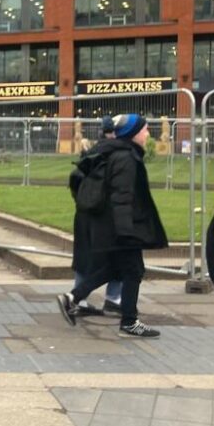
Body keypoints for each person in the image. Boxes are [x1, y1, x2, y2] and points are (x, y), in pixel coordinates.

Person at [57, 113, 168, 338]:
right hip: (122, 227)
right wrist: (126, 232)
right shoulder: (126, 158)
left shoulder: (113, 152)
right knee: (134, 271)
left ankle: (72, 297)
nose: (148, 134)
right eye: (145, 130)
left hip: (108, 225)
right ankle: (129, 322)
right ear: (134, 133)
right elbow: (122, 196)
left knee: (115, 269)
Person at [67, 116, 123, 318]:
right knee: (120, 256)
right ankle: (113, 298)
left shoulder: (91, 153)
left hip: (84, 212)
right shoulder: (118, 155)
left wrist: (82, 201)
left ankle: (79, 298)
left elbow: (75, 179)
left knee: (84, 256)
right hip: (105, 214)